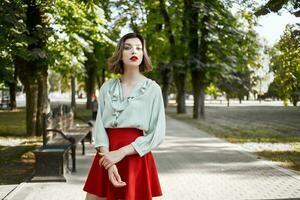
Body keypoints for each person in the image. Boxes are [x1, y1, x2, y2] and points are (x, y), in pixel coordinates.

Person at [83, 32, 166, 200]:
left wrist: (121, 153)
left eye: (138, 48)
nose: (134, 51)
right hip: (106, 153)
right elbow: (100, 127)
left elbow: (157, 133)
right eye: (127, 48)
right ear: (120, 53)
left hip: (136, 154)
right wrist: (109, 160)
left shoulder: (153, 89)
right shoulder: (107, 87)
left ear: (143, 54)